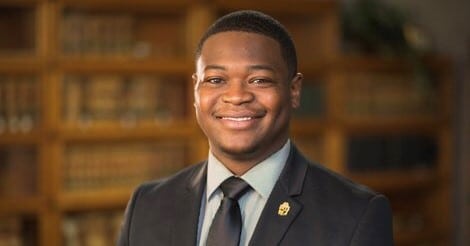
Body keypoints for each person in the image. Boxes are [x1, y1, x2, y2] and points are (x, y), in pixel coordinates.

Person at [118, 10, 393, 246]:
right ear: (195, 90)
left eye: (259, 80)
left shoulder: (356, 215)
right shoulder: (147, 204)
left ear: (294, 90)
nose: (236, 96)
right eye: (215, 80)